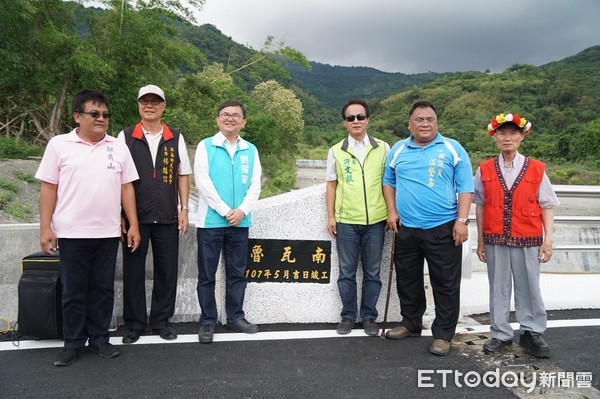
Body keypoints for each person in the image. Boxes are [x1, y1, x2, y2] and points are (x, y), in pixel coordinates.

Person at [36, 88, 140, 366]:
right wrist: (46, 228)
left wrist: (133, 225)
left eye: (105, 114)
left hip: (107, 233)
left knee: (103, 289)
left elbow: (126, 187)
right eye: (94, 114)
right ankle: (73, 343)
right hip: (71, 233)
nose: (101, 119)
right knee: (73, 291)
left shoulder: (118, 146)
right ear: (77, 116)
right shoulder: (59, 145)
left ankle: (99, 339)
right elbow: (48, 188)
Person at [382, 101, 473, 356]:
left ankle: (443, 334)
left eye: (430, 119)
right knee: (408, 279)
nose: (425, 123)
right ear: (410, 124)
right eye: (419, 119)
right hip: (406, 228)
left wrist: (462, 221)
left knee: (445, 283)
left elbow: (465, 187)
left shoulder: (451, 148)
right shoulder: (399, 149)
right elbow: (388, 182)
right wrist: (392, 211)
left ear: (436, 122)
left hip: (443, 227)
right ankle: (410, 322)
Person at [475, 113, 558, 358]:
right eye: (502, 133)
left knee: (529, 286)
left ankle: (532, 331)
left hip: (528, 237)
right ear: (495, 136)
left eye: (513, 133)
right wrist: (480, 240)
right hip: (495, 238)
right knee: (498, 287)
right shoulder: (485, 168)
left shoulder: (536, 169)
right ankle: (500, 333)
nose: (507, 138)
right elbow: (479, 204)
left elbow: (547, 206)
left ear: (522, 136)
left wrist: (548, 240)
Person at [117, 85, 192, 343]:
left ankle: (161, 320)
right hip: (134, 218)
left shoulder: (175, 137)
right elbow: (117, 178)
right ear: (138, 105)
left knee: (166, 270)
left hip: (168, 217)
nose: (149, 105)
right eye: (144, 101)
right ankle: (135, 323)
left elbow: (183, 174)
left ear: (163, 106)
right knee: (133, 271)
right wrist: (120, 214)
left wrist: (184, 208)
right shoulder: (125, 136)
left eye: (155, 101)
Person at [193, 100, 262, 344]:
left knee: (237, 273)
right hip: (211, 223)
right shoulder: (205, 146)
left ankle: (235, 317)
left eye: (235, 115)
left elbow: (256, 184)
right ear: (217, 119)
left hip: (239, 223)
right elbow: (203, 184)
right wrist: (225, 211)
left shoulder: (250, 150)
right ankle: (208, 321)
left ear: (243, 121)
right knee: (207, 275)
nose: (230, 118)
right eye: (225, 114)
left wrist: (242, 210)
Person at [326, 99, 390, 336]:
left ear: (368, 119)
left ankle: (369, 317)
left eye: (360, 117)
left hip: (376, 221)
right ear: (344, 122)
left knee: (373, 273)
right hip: (346, 222)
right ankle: (347, 316)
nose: (356, 121)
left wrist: (392, 212)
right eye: (351, 118)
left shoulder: (383, 148)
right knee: (346, 272)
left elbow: (389, 182)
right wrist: (331, 216)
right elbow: (331, 185)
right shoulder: (336, 151)